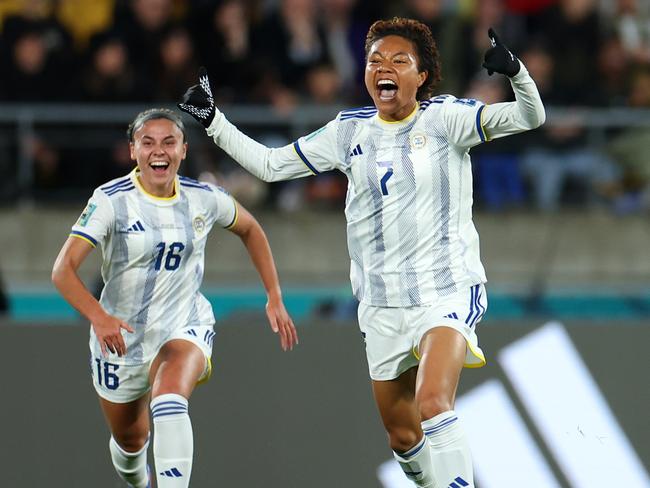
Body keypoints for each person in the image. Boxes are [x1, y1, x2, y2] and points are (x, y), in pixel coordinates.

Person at [179, 17, 545, 487]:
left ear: (422, 76)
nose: (384, 67)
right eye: (375, 60)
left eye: (399, 60)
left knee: (434, 402)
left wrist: (516, 72)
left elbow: (531, 116)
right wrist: (214, 122)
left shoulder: (447, 119)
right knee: (402, 437)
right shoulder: (348, 132)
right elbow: (271, 167)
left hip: (446, 290)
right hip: (380, 305)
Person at [51, 108, 298, 488]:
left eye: (169, 142)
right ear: (133, 150)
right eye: (147, 142)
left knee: (168, 399)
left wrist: (274, 295)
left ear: (183, 150)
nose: (158, 151)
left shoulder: (204, 198)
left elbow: (250, 228)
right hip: (121, 339)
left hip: (185, 324)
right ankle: (139, 476)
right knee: (131, 443)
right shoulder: (110, 201)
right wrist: (99, 317)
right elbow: (62, 270)